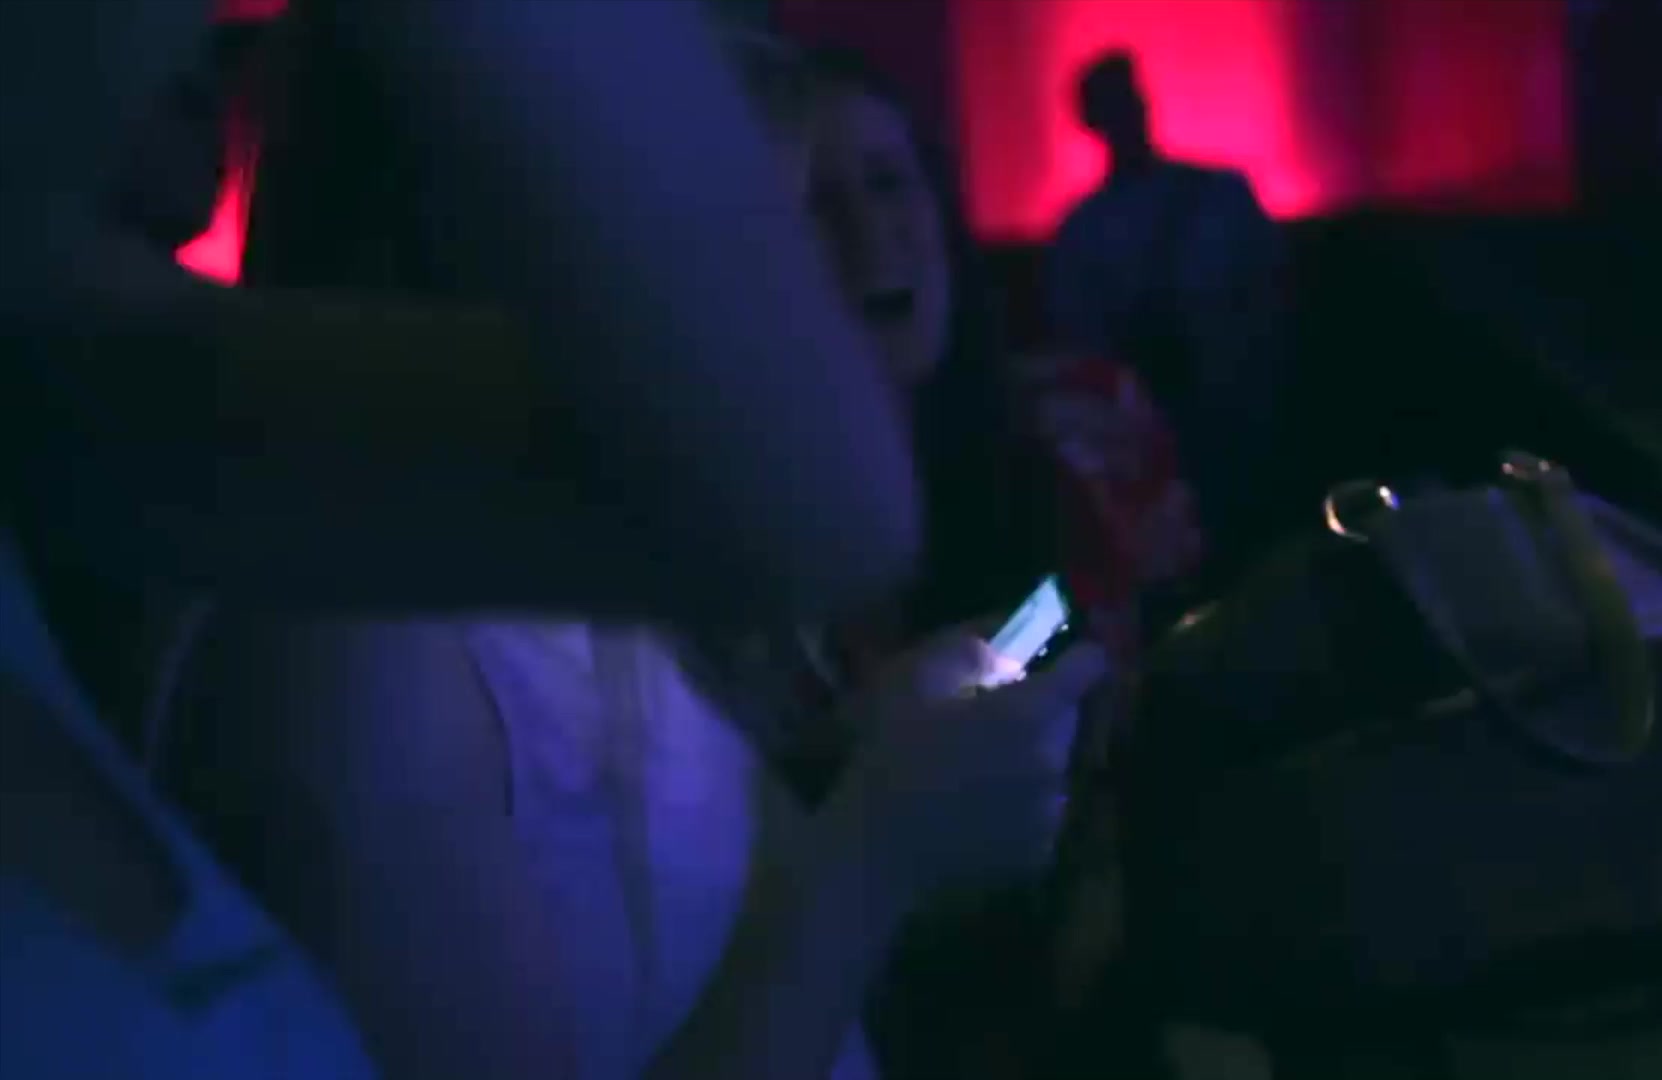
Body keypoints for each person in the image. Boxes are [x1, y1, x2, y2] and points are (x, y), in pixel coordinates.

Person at [159, 12, 1111, 1080]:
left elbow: (707, 942)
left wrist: (880, 761)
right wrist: (875, 851)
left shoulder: (600, 573)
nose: (792, 316)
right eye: (739, 249)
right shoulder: (357, 653)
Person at [1, 0, 934, 1076]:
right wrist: (871, 856)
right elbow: (819, 503)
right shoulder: (351, 643)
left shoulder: (78, 394)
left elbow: (814, 504)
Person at [1047, 49, 1284, 584]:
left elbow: (1271, 296)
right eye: (1115, 104)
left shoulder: (1219, 196)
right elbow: (1079, 344)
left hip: (1238, 421)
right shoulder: (1084, 231)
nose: (1128, 114)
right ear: (1093, 120)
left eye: (1129, 99)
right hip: (1145, 445)